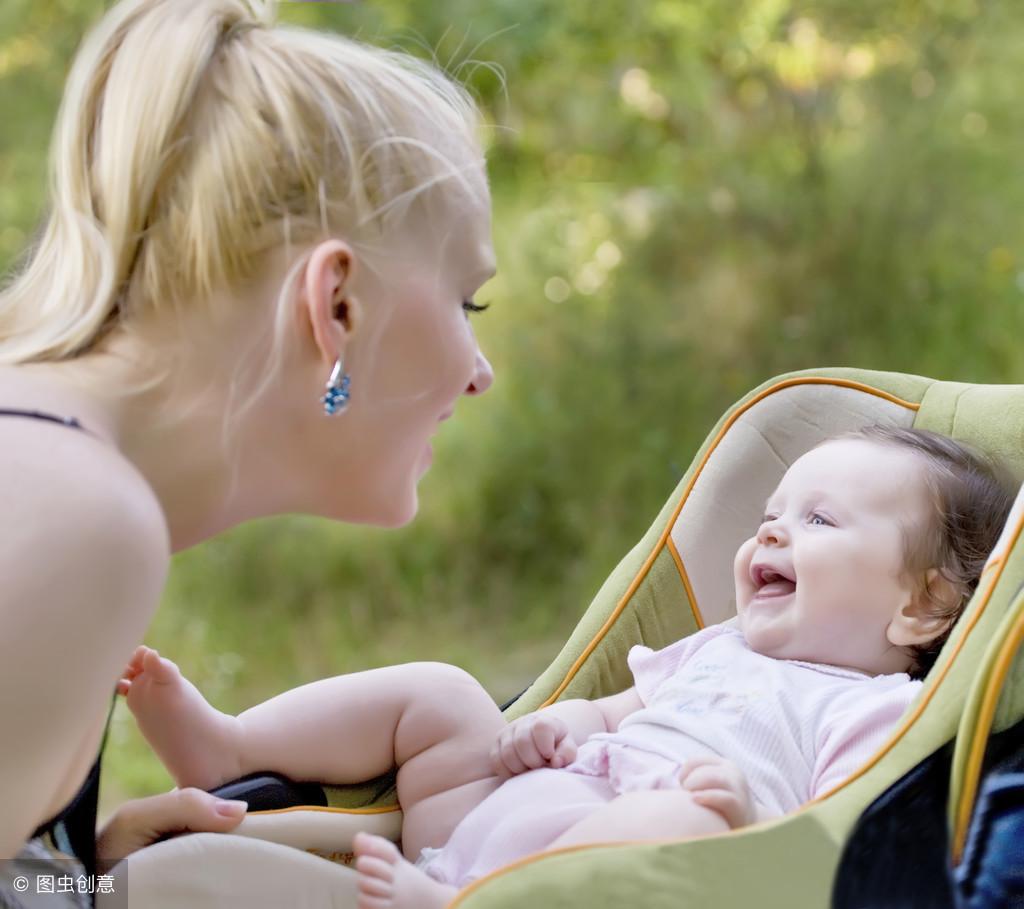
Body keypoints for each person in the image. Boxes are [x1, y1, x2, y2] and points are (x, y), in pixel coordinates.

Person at [0, 0, 496, 895]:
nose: (480, 372)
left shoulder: (55, 464)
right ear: (336, 304)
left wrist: (70, 870)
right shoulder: (83, 520)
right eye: (469, 303)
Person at [119, 425, 1017, 909]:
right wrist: (565, 725)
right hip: (476, 817)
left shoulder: (875, 710)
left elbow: (841, 833)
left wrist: (743, 816)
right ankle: (231, 748)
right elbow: (615, 710)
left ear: (924, 606)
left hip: (597, 872)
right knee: (444, 693)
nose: (772, 530)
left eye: (819, 522)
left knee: (678, 815)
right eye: (773, 514)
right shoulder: (718, 645)